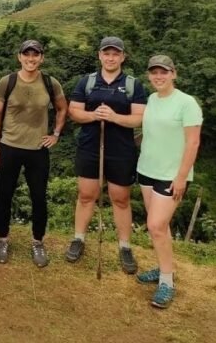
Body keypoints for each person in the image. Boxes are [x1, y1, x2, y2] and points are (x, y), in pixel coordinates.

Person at [65, 37, 147, 273]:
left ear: (122, 57)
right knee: (86, 195)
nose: (110, 58)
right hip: (90, 147)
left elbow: (139, 118)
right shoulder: (88, 82)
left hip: (121, 149)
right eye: (106, 53)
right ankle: (79, 239)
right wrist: (94, 115)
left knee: (120, 198)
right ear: (99, 55)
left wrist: (114, 117)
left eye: (115, 54)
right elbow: (74, 111)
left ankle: (125, 246)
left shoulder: (132, 85)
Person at [0, 39, 67, 267]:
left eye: (35, 55)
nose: (31, 59)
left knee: (39, 197)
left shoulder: (50, 83)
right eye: (27, 54)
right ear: (19, 57)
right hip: (9, 145)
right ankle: (2, 238)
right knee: (4, 195)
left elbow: (63, 108)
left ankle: (37, 241)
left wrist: (56, 134)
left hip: (38, 148)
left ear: (41, 58)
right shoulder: (7, 82)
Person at [136, 55, 202, 309]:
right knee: (160, 228)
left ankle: (167, 282)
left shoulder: (187, 103)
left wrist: (182, 177)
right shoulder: (152, 99)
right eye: (154, 72)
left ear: (173, 73)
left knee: (155, 225)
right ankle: (165, 269)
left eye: (163, 72)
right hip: (147, 170)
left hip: (171, 176)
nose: (158, 76)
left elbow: (193, 142)